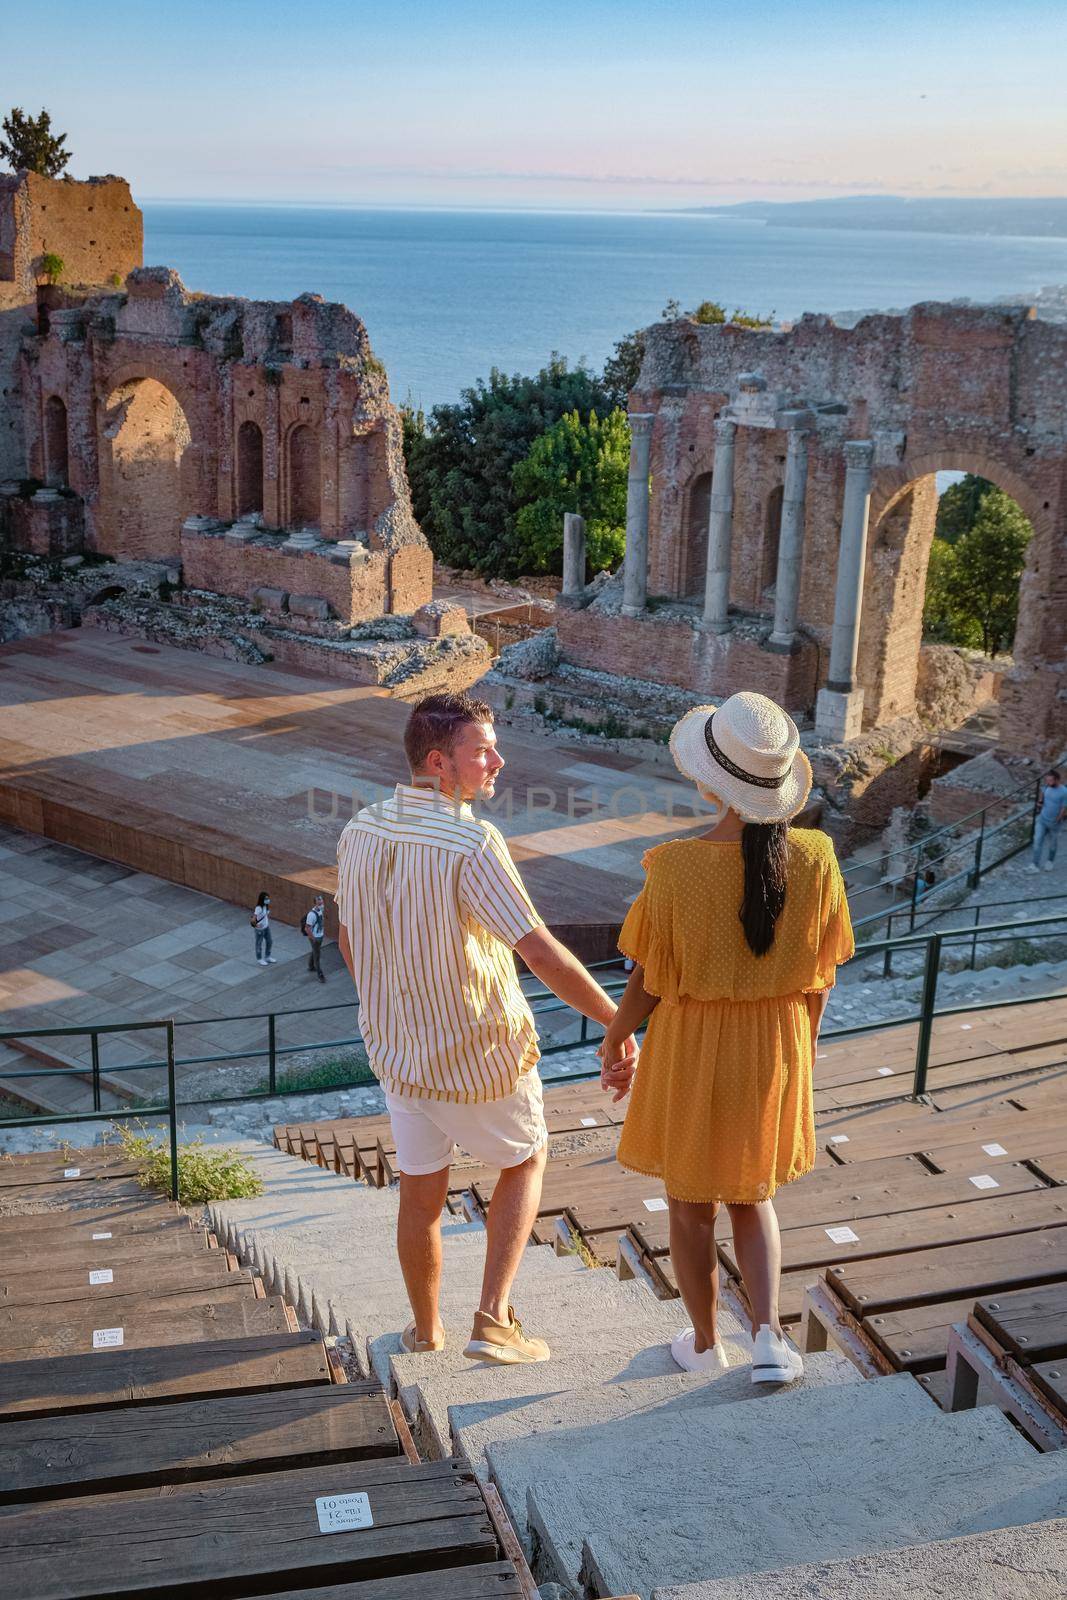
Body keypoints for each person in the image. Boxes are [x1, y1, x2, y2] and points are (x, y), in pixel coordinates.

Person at [335, 691, 636, 1364]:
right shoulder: (471, 840)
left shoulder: (359, 828)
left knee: (420, 1193)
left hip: (398, 1057)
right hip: (478, 1054)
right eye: (482, 750)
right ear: (439, 763)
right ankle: (493, 1321)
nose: (498, 760)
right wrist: (617, 1023)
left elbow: (348, 935)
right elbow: (537, 950)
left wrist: (381, 1005)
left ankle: (424, 1331)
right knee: (526, 1157)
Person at [599, 692, 854, 1387]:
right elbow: (819, 977)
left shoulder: (674, 867)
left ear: (708, 781)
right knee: (752, 1193)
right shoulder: (818, 856)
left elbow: (650, 980)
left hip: (690, 1045)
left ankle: (707, 1342)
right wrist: (799, 1048)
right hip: (775, 1042)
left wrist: (616, 1039)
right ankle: (770, 1338)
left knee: (689, 1204)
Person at [1030, 768, 1067, 873]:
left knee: (1053, 843)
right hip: (1042, 819)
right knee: (1037, 841)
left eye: (1050, 780)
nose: (1048, 782)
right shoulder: (1046, 787)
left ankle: (1050, 861)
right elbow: (1042, 795)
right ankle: (1034, 864)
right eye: (1047, 780)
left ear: (1057, 780)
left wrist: (1058, 819)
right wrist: (1039, 803)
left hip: (1054, 823)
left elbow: (1063, 808)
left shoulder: (1064, 792)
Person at [304, 894, 326, 982]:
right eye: (319, 902)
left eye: (321, 901)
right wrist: (313, 939)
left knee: (314, 951)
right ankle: (320, 975)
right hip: (315, 938)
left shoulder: (320, 910)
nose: (321, 903)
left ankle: (310, 966)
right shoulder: (311, 915)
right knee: (317, 956)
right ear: (315, 903)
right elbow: (307, 928)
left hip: (319, 936)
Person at [251, 891, 275, 965]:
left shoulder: (265, 906)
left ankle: (267, 956)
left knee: (270, 941)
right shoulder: (259, 908)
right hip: (260, 930)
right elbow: (253, 919)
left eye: (268, 898)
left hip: (266, 927)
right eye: (266, 898)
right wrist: (256, 925)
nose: (268, 900)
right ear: (262, 899)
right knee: (259, 944)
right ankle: (259, 959)